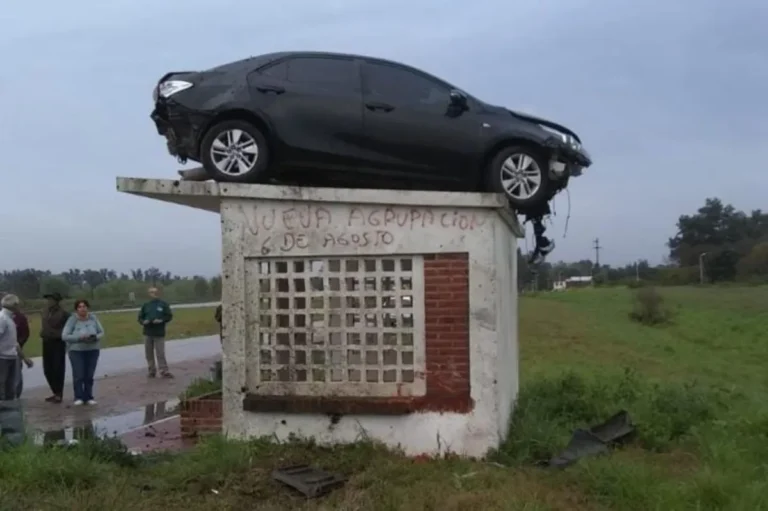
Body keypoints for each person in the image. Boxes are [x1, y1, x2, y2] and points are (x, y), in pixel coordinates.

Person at [61, 299, 104, 406]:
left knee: (89, 375)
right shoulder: (72, 320)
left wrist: (95, 337)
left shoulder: (93, 318)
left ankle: (88, 396)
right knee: (79, 374)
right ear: (76, 309)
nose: (82, 309)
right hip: (77, 350)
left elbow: (101, 332)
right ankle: (78, 396)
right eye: (80, 307)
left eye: (84, 306)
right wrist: (79, 338)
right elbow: (65, 336)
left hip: (92, 349)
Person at [138, 287, 174, 378]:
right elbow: (140, 318)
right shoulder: (146, 305)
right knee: (149, 353)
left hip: (159, 332)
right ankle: (151, 370)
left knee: (160, 352)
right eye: (151, 292)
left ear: (158, 293)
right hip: (148, 332)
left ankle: (164, 370)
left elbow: (169, 316)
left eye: (154, 292)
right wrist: (143, 322)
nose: (153, 294)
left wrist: (161, 320)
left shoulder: (163, 304)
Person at [40, 292, 70, 403]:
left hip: (58, 343)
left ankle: (59, 393)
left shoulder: (64, 314)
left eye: (51, 299)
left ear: (56, 301)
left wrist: (59, 334)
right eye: (48, 299)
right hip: (46, 342)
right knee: (47, 369)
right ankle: (54, 391)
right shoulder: (45, 312)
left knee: (58, 368)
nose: (48, 302)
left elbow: (69, 327)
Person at [8, 301, 33, 398]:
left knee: (16, 375)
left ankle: (15, 396)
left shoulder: (20, 317)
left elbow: (25, 333)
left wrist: (20, 344)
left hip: (15, 349)